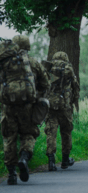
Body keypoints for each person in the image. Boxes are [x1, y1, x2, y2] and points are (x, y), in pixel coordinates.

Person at [0, 35, 50, 185]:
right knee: (28, 134)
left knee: (9, 137)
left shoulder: (3, 62)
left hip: (8, 106)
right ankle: (23, 157)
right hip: (28, 106)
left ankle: (11, 174)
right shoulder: (32, 62)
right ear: (27, 46)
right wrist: (37, 95)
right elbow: (45, 83)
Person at [44, 51, 80, 171]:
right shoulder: (68, 68)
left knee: (51, 132)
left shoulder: (48, 68)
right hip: (64, 106)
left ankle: (51, 162)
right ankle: (65, 160)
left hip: (50, 105)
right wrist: (73, 101)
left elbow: (42, 85)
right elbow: (76, 86)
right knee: (66, 131)